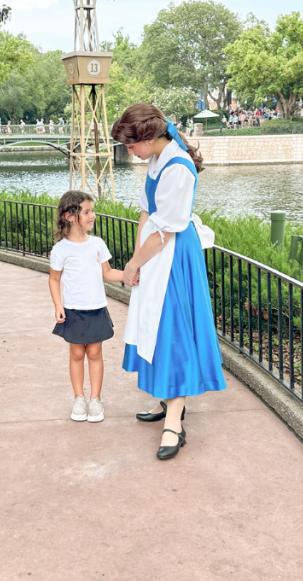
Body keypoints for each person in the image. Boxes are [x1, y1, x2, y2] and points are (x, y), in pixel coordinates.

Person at [110, 103, 226, 460]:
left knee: (172, 334)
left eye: (132, 145)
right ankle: (168, 399)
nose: (130, 151)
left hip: (175, 259)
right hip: (156, 254)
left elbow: (165, 232)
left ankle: (174, 423)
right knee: (155, 328)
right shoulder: (156, 160)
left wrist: (134, 263)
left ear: (148, 137)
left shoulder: (180, 167)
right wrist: (136, 260)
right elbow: (146, 213)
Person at [48, 190, 125, 423]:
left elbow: (108, 273)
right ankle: (79, 398)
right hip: (73, 309)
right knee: (76, 353)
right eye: (87, 212)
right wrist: (58, 305)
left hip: (96, 307)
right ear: (71, 216)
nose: (93, 216)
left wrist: (130, 275)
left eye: (93, 211)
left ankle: (95, 399)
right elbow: (53, 279)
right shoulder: (61, 249)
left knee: (94, 352)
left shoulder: (97, 244)